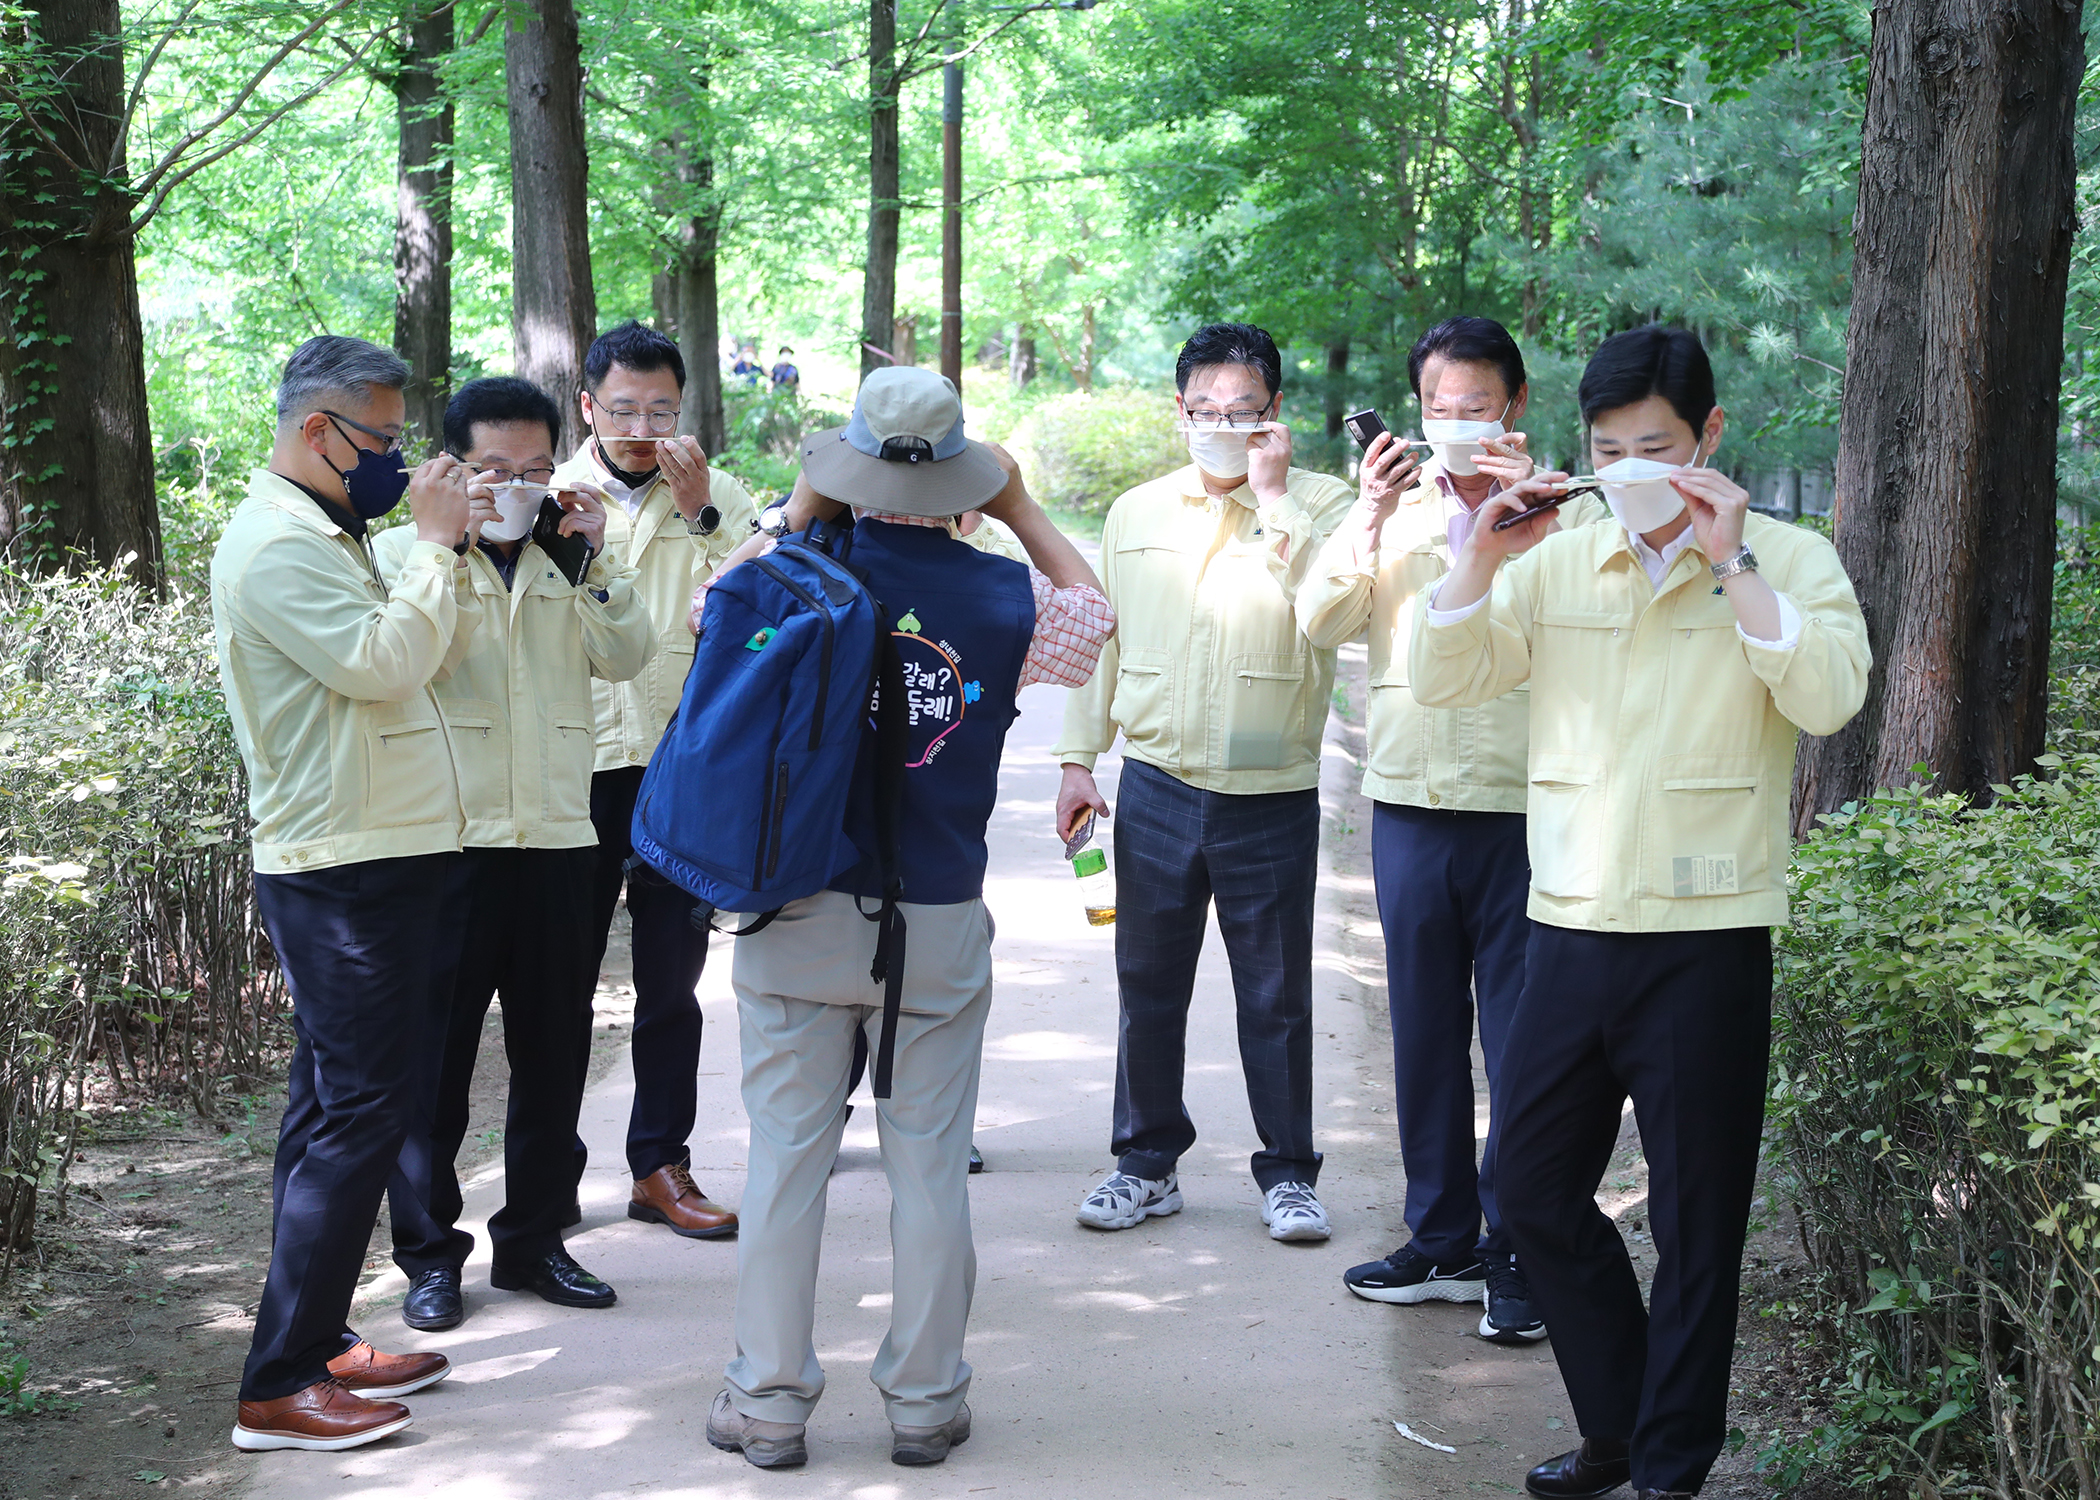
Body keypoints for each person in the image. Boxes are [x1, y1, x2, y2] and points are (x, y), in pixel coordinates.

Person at [1408, 325, 1870, 1500]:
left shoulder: (1787, 556)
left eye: (1654, 446)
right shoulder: (1554, 556)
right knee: (1534, 1186)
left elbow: (1827, 699)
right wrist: (1475, 555)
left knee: (1699, 1222)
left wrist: (1734, 567)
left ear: (1708, 438)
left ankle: (1667, 1468)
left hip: (1708, 937)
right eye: (1607, 448)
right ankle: (1618, 1421)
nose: (1629, 470)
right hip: (1567, 921)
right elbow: (1444, 680)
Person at [700, 367, 1114, 1471]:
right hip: (934, 915)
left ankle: (770, 1401)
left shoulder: (791, 577)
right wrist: (1020, 506)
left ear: (846, 471)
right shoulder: (996, 593)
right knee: (927, 1162)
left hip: (794, 909)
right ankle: (924, 1400)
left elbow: (708, 613)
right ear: (962, 481)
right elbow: (1093, 615)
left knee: (788, 1158)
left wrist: (798, 510)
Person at [1299, 316, 1604, 1344]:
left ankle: (1519, 1248)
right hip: (1412, 805)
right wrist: (1373, 516)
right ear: (1417, 409)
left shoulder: (1563, 506)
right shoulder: (1389, 513)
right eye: (1441, 408)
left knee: (1524, 1047)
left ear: (1515, 408)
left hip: (1528, 809)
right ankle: (1440, 1237)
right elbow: (1319, 623)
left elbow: (1587, 631)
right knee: (1424, 1034)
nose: (1459, 425)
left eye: (1478, 408)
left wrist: (1527, 517)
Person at [211, 335, 490, 1451]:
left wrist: (445, 553)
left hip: (387, 849)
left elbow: (413, 663)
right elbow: (380, 665)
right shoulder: (276, 547)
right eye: (379, 440)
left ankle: (315, 1338)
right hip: (345, 865)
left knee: (333, 1105)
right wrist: (430, 547)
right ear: (317, 432)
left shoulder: (328, 530)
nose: (396, 463)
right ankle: (278, 1385)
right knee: (363, 1112)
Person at [1054, 321, 1355, 1243]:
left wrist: (1271, 500)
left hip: (1269, 788)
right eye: (1204, 410)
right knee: (1147, 982)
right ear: (1178, 410)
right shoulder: (1136, 511)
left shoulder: (1327, 504)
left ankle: (1290, 1174)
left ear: (1275, 412)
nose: (1222, 424)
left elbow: (1333, 614)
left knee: (1274, 993)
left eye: (1243, 410)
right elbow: (1102, 640)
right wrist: (1077, 759)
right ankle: (1145, 1162)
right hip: (1156, 781)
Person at [378, 376, 656, 1332]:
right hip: (446, 849)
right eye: (493, 469)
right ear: (451, 466)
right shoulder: (405, 558)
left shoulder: (565, 559)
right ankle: (428, 1256)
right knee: (433, 1066)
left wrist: (596, 556)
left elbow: (625, 656)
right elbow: (407, 664)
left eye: (536, 470)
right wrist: (446, 546)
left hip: (557, 840)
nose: (516, 487)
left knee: (554, 1052)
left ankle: (536, 1240)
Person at [550, 320, 760, 1241]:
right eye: (624, 407)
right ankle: (547, 1184)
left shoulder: (722, 500)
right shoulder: (545, 497)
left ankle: (660, 1167)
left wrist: (705, 510)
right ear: (588, 406)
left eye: (663, 408)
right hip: (572, 771)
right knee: (557, 985)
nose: (643, 425)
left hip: (683, 767)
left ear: (685, 408)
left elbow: (763, 609)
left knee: (672, 984)